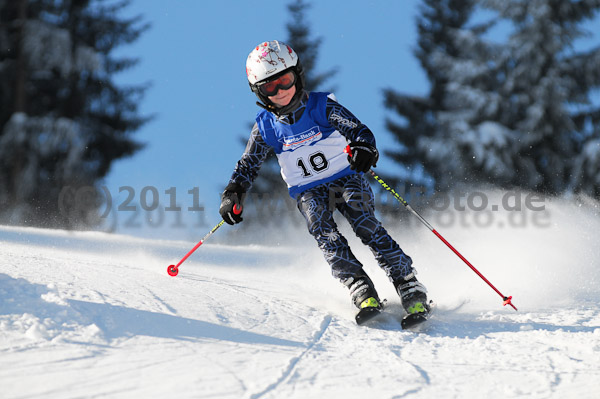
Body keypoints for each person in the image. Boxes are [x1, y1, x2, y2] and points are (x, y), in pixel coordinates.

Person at [219, 40, 429, 317]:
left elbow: (359, 131)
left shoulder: (322, 106)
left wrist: (364, 148)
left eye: (285, 80)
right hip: (308, 190)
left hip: (347, 176)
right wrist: (234, 191)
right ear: (259, 92)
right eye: (270, 87)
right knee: (321, 226)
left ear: (298, 75)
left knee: (363, 220)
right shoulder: (266, 127)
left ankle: (407, 282)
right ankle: (359, 286)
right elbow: (249, 164)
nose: (281, 91)